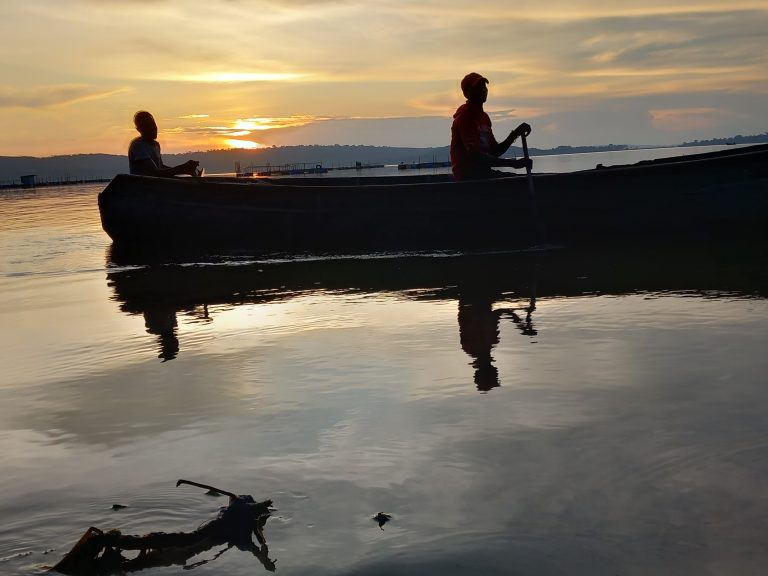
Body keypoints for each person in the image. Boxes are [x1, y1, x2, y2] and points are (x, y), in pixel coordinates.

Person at [450, 72, 532, 181]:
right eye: (478, 87)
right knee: (517, 183)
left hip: (483, 172)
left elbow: (494, 151)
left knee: (517, 181)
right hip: (467, 176)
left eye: (484, 86)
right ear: (467, 93)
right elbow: (475, 157)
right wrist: (513, 163)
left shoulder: (484, 118)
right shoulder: (465, 118)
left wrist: (515, 134)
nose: (483, 89)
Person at [128, 110, 200, 177]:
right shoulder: (138, 146)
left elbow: (160, 167)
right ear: (139, 129)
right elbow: (155, 173)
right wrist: (183, 168)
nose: (152, 128)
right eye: (147, 126)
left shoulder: (156, 145)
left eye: (153, 124)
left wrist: (185, 170)